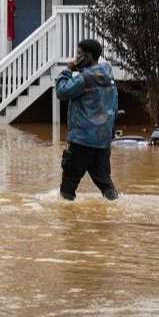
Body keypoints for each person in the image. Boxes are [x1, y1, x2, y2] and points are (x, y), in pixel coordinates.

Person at [54, 38, 119, 201]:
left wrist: (67, 70)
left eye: (79, 54)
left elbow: (61, 92)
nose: (75, 58)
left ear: (88, 56)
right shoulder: (108, 73)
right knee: (104, 182)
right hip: (103, 140)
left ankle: (66, 222)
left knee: (68, 184)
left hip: (82, 140)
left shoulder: (84, 78)